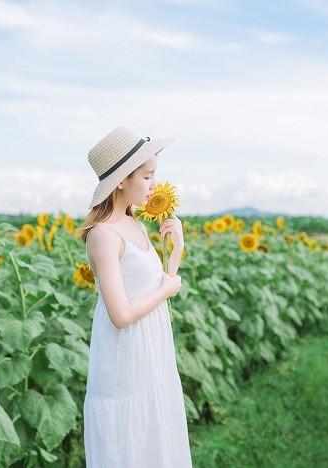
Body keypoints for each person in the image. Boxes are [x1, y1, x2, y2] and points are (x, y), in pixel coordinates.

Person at [78, 126, 192, 467]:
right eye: (147, 176)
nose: (155, 184)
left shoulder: (137, 226)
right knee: (128, 439)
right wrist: (166, 289)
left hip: (151, 350)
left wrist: (177, 251)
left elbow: (158, 286)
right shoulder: (104, 236)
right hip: (124, 358)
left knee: (155, 434)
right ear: (122, 181)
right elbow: (121, 314)